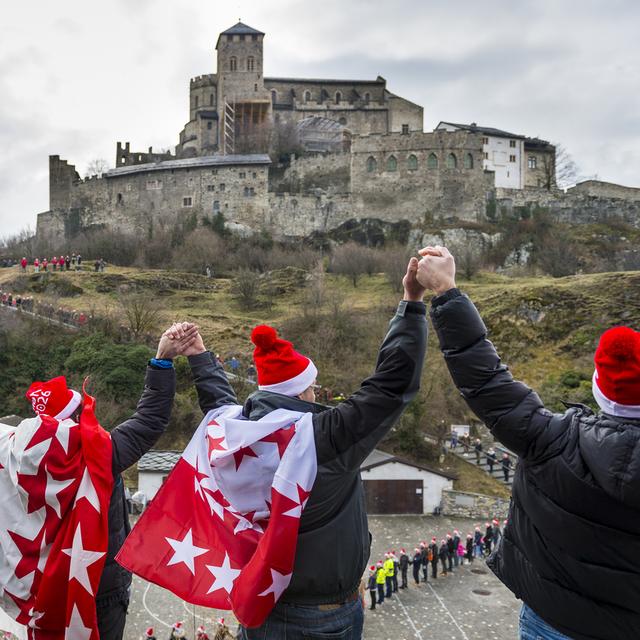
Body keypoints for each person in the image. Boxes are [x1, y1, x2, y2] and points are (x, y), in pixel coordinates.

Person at [177, 257, 427, 639]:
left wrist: (199, 357)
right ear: (304, 390)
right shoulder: (322, 437)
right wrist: (411, 304)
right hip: (320, 614)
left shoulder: (234, 432)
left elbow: (217, 404)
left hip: (262, 602)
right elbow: (390, 387)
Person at [416, 244, 640, 640]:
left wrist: (447, 292)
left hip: (552, 621)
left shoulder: (550, 440)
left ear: (599, 389)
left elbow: (486, 379)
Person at [23, 323, 198, 640]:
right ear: (77, 419)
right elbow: (150, 419)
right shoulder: (100, 455)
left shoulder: (18, 461)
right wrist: (161, 360)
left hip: (44, 586)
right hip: (100, 584)